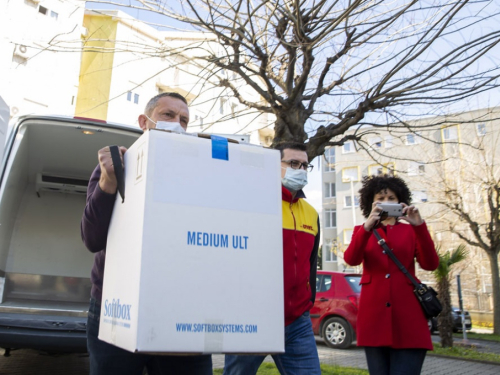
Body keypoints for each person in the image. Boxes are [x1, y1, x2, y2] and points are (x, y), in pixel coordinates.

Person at [81, 92, 213, 375]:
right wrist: (108, 182)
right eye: (168, 115)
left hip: (181, 311)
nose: (177, 124)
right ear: (145, 121)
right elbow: (92, 240)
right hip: (115, 309)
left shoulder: (200, 175)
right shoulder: (115, 165)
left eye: (184, 120)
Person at [223, 141, 321, 375]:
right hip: (252, 318)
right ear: (272, 165)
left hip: (297, 322)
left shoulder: (311, 212)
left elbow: (310, 264)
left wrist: (308, 302)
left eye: (305, 165)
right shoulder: (251, 203)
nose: (300, 169)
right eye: (293, 163)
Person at [343, 175, 439, 375]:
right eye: (380, 198)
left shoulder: (412, 231)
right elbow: (351, 259)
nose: (386, 203)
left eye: (392, 198)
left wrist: (419, 226)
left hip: (409, 319)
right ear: (371, 202)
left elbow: (430, 264)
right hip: (374, 318)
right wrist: (368, 226)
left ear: (400, 201)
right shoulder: (362, 230)